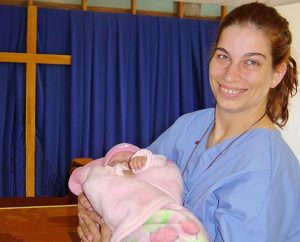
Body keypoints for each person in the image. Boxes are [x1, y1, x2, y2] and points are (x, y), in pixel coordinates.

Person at [77, 2, 300, 242]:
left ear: (277, 73)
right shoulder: (189, 127)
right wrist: (95, 202)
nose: (230, 75)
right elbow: (133, 183)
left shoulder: (262, 171)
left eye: (251, 62)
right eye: (223, 56)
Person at [70, 143, 210, 242]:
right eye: (115, 162)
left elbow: (163, 166)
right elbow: (92, 180)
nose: (124, 163)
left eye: (131, 158)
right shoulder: (110, 174)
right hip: (127, 221)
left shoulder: (149, 167)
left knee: (184, 227)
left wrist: (145, 159)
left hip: (157, 207)